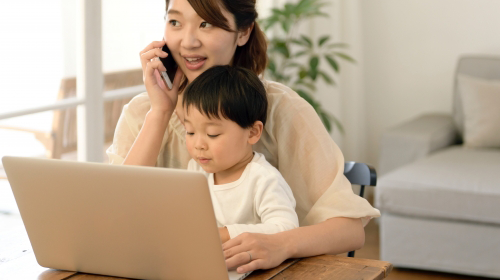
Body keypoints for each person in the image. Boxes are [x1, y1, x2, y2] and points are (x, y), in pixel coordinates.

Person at [107, 0, 381, 274]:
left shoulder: (283, 109)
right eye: (175, 22)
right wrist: (160, 112)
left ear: (244, 31)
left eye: (206, 23)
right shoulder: (143, 111)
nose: (187, 42)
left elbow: (349, 230)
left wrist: (281, 244)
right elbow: (115, 219)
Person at [181, 65, 298, 244]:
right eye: (190, 132)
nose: (198, 145)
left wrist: (225, 234)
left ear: (252, 133)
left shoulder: (263, 179)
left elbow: (286, 227)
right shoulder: (196, 170)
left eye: (212, 134)